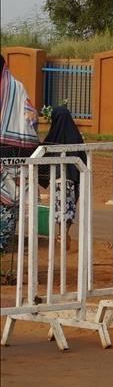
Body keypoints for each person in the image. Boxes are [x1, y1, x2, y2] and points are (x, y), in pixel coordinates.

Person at [0, 54, 40, 253]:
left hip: (5, 152)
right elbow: (32, 118)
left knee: (7, 199)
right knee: (12, 199)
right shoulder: (18, 87)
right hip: (20, 152)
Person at [39, 105, 86, 248]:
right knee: (70, 206)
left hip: (58, 177)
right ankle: (64, 232)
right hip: (74, 177)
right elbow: (83, 156)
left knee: (60, 206)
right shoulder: (76, 136)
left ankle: (62, 233)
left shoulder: (53, 135)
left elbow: (41, 153)